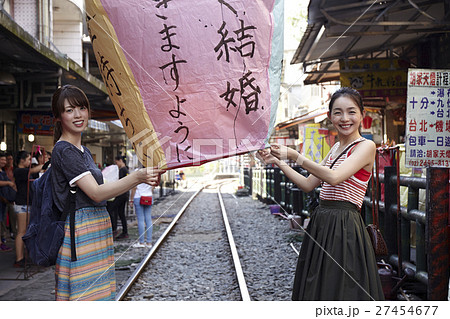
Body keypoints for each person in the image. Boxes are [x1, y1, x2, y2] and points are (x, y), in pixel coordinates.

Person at [258, 87, 384, 301]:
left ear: (363, 114)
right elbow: (308, 184)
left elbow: (334, 177)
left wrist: (296, 155)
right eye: (338, 112)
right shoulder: (335, 148)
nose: (345, 118)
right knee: (319, 286)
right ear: (330, 117)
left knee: (342, 287)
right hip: (323, 222)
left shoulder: (366, 146)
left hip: (344, 224)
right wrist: (279, 162)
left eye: (351, 112)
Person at [50, 85, 163, 301]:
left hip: (93, 229)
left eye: (82, 108)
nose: (78, 115)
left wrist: (143, 177)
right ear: (58, 117)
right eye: (69, 110)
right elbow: (96, 193)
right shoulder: (64, 150)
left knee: (98, 295)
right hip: (80, 232)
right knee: (87, 297)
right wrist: (137, 177)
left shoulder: (81, 151)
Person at [13, 151, 43, 267]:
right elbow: (34, 170)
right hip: (22, 203)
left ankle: (23, 256)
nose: (30, 162)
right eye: (29, 159)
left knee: (25, 231)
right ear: (22, 160)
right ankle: (19, 258)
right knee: (21, 231)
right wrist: (44, 164)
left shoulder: (25, 171)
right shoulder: (19, 171)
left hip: (27, 202)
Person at [130, 175, 154, 248]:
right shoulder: (151, 174)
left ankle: (141, 242)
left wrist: (131, 199)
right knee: (148, 219)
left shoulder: (138, 173)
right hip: (149, 196)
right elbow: (154, 186)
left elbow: (134, 188)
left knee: (140, 220)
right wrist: (148, 191)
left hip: (139, 197)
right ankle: (149, 242)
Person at [0, 152, 15, 252]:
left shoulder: (2, 171)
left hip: (4, 200)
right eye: (2, 160)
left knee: (2, 220)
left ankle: (1, 241)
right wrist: (9, 183)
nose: (4, 162)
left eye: (4, 160)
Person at [112, 155, 129, 239]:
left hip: (121, 194)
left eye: (116, 162)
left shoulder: (122, 170)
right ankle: (124, 232)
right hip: (125, 194)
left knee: (113, 209)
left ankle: (114, 229)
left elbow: (120, 183)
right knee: (121, 213)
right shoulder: (126, 169)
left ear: (120, 160)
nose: (116, 164)